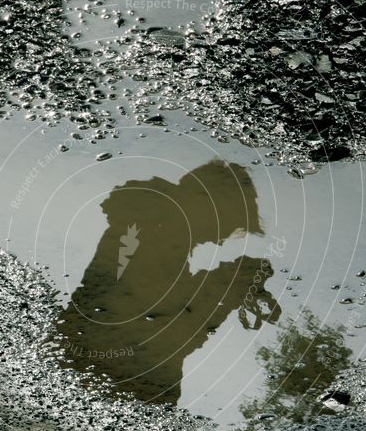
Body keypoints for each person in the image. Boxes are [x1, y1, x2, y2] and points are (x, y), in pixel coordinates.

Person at [57, 160, 280, 404]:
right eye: (227, 224)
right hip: (118, 373)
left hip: (97, 359)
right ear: (208, 204)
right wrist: (233, 281)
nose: (221, 239)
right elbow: (169, 321)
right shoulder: (156, 230)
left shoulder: (152, 222)